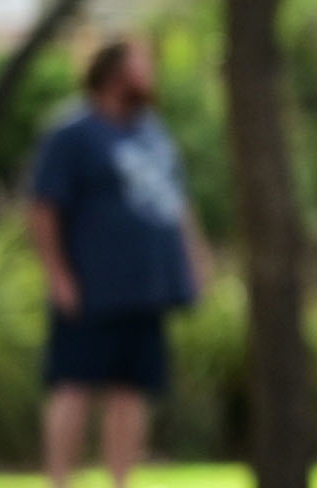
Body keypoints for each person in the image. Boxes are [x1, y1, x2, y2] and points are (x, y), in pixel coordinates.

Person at [28, 40, 210, 488]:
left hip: (149, 287)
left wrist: (196, 261)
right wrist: (58, 275)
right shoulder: (72, 134)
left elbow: (178, 203)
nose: (150, 74)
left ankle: (121, 483)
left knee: (132, 391)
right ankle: (59, 483)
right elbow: (43, 207)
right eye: (141, 66)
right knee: (74, 384)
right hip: (92, 287)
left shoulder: (153, 131)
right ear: (113, 74)